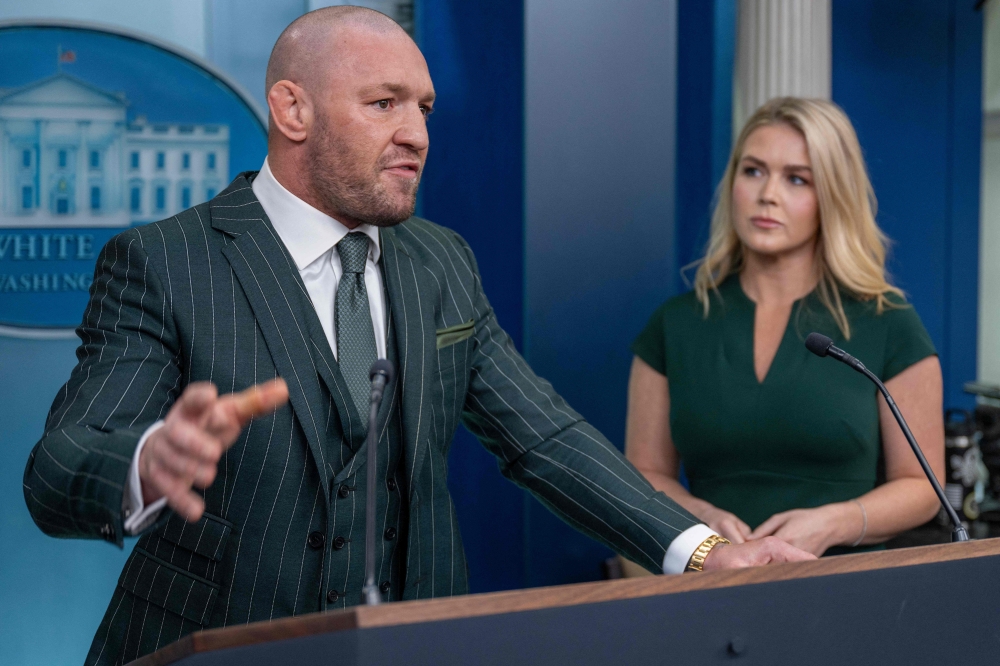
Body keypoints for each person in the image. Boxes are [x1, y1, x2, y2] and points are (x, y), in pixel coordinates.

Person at [23, 9, 811, 665]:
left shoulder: (441, 262)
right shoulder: (165, 262)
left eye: (424, 109)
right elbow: (57, 467)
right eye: (383, 104)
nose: (416, 134)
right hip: (214, 647)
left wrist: (703, 550)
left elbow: (544, 437)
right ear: (292, 109)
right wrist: (146, 462)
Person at [625, 97, 944, 564]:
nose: (767, 194)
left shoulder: (889, 322)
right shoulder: (674, 323)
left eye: (796, 179)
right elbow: (645, 473)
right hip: (710, 585)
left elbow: (922, 487)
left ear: (832, 196)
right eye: (753, 171)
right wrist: (694, 519)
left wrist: (834, 521)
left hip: (842, 589)